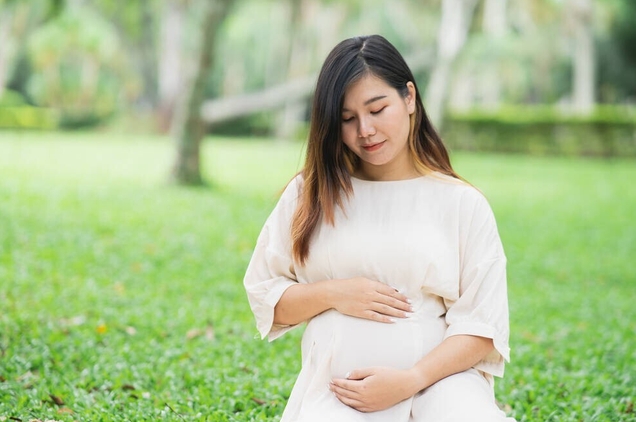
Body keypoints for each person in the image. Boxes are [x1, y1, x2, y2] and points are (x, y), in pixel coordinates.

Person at [243, 34, 515, 422]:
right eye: (347, 119)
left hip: (442, 386)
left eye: (377, 109)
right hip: (342, 393)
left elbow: (482, 326)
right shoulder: (311, 192)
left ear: (408, 98)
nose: (365, 131)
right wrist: (335, 293)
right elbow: (266, 295)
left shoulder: (461, 202)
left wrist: (411, 379)